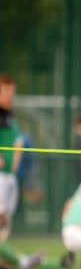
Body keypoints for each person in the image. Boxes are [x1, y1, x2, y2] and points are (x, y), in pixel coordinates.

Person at [0, 74, 23, 242]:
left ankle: (4, 257)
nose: (9, 96)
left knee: (6, 218)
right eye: (5, 91)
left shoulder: (10, 117)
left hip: (9, 175)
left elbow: (18, 140)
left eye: (11, 91)